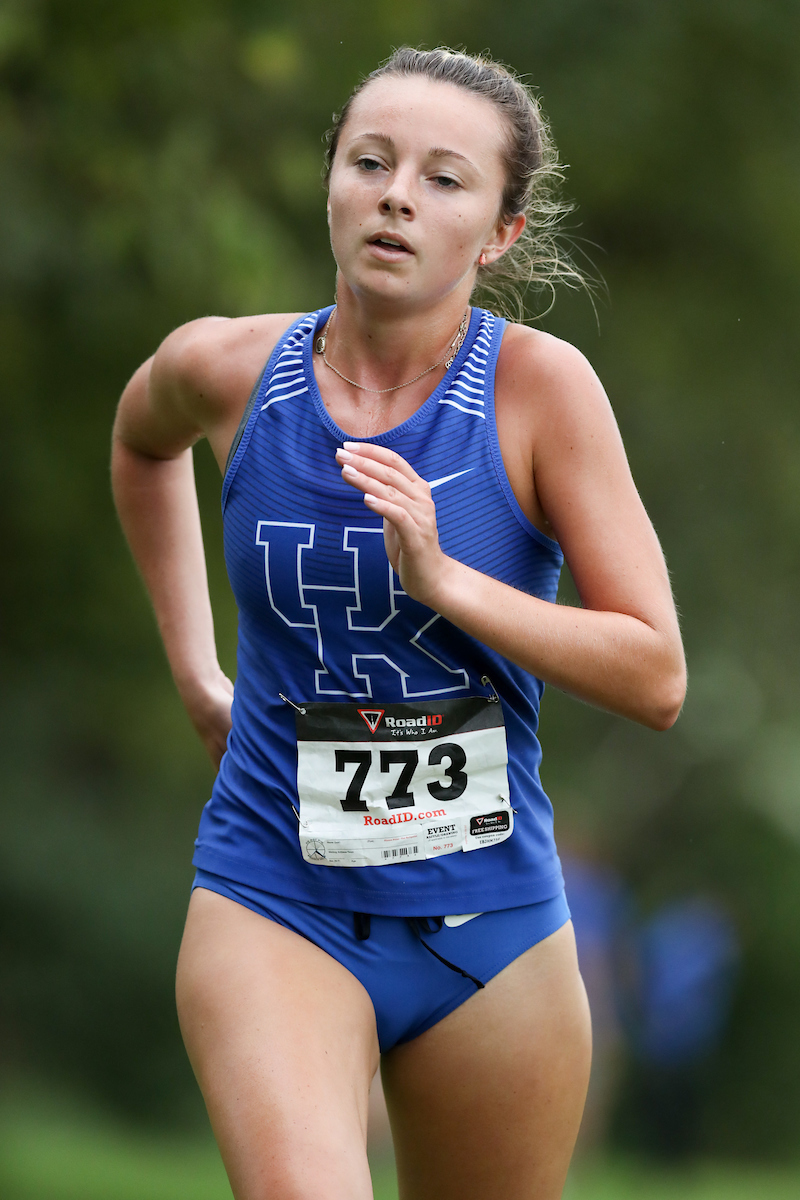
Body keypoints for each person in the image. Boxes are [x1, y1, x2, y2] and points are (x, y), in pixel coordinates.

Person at [111, 47, 685, 1200]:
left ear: (499, 233)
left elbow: (654, 673)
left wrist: (446, 580)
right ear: (330, 181)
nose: (395, 197)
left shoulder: (539, 392)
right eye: (369, 163)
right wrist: (193, 668)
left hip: (494, 927)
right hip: (272, 895)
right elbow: (141, 444)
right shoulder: (224, 367)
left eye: (442, 178)